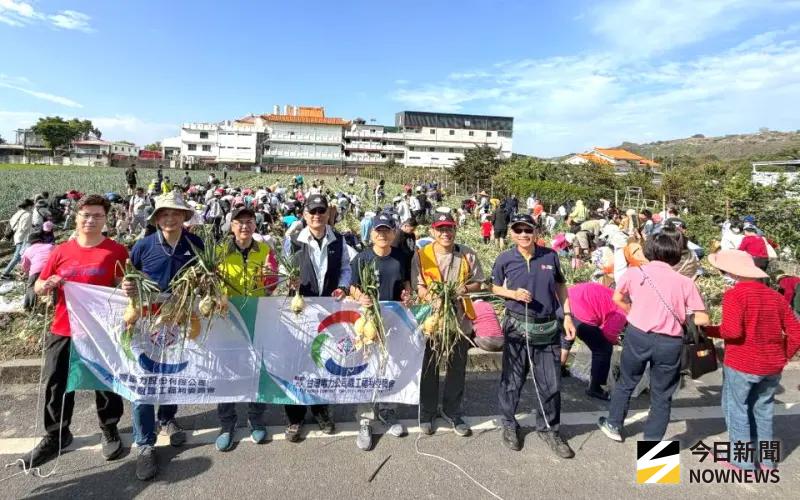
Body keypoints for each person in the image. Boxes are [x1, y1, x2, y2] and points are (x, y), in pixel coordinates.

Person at [19, 195, 128, 469]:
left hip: (101, 330)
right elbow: (39, 284)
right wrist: (45, 285)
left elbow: (121, 285)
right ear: (77, 217)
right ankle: (56, 434)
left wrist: (128, 286)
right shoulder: (60, 251)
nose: (91, 220)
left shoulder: (115, 251)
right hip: (63, 327)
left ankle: (110, 427)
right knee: (57, 383)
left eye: (97, 216)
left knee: (104, 381)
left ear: (106, 220)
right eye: (86, 215)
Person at [598, 233, 709, 443]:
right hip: (670, 342)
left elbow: (617, 298)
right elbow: (702, 318)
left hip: (638, 335)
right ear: (676, 255)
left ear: (648, 251)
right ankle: (653, 449)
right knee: (662, 395)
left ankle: (613, 424)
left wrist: (633, 310)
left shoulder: (634, 273)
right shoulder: (685, 282)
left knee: (626, 382)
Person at [123, 190, 203, 481]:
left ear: (184, 217)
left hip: (179, 320)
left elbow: (203, 280)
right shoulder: (143, 246)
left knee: (173, 372)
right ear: (157, 219)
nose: (170, 218)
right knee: (144, 379)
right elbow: (128, 278)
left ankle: (167, 419)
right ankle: (144, 444)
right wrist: (128, 286)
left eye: (175, 213)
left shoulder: (195, 245)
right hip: (145, 323)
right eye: (164, 213)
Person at [703, 250, 800, 471]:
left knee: (736, 409)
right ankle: (767, 462)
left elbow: (732, 331)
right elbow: (796, 332)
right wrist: (783, 356)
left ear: (732, 273)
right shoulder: (775, 296)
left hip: (742, 363)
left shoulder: (735, 295)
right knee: (763, 410)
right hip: (772, 365)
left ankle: (742, 463)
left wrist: (708, 330)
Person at [491, 214, 576, 457]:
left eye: (527, 230)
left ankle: (549, 428)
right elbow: (493, 286)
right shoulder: (505, 258)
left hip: (547, 325)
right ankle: (508, 423)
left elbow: (561, 285)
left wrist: (567, 315)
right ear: (511, 233)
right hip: (516, 325)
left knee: (550, 381)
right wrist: (513, 294)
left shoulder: (550, 255)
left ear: (535, 232)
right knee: (512, 380)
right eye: (518, 230)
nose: (523, 235)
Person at [283, 195, 350, 442]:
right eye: (312, 211)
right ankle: (295, 417)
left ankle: (321, 411)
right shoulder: (293, 240)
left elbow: (345, 267)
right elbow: (283, 269)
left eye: (321, 211)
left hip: (327, 309)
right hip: (301, 309)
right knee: (298, 361)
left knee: (322, 358)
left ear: (327, 214)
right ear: (304, 213)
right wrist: (288, 279)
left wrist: (342, 286)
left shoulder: (338, 239)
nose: (317, 215)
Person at [412, 212, 485, 437]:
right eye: (441, 229)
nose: (446, 233)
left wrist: (465, 289)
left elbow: (479, 283)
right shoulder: (422, 255)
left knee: (456, 368)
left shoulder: (467, 254)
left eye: (450, 228)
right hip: (432, 321)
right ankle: (427, 413)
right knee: (429, 368)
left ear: (455, 230)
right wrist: (431, 297)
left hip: (459, 321)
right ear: (432, 231)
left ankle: (453, 411)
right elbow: (418, 285)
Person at [214, 207, 278, 452]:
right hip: (226, 319)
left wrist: (274, 279)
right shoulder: (219, 252)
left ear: (255, 225)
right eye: (239, 222)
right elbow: (209, 281)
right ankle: (227, 424)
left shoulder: (264, 251)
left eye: (249, 222)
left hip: (256, 318)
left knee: (256, 369)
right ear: (231, 227)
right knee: (226, 371)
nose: (244, 226)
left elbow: (271, 284)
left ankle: (256, 418)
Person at [349, 213, 412, 451]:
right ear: (371, 233)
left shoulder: (401, 257)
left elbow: (406, 284)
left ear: (393, 233)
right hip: (368, 324)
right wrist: (359, 296)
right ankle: (365, 421)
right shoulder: (362, 258)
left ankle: (388, 412)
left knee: (391, 367)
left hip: (394, 322)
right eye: (378, 230)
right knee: (367, 371)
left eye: (386, 230)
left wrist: (407, 295)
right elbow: (352, 286)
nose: (382, 234)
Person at [561, 282, 627, 400]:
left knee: (567, 335)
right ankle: (595, 388)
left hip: (563, 303)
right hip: (580, 312)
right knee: (603, 348)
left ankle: (559, 368)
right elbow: (608, 335)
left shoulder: (611, 294)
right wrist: (614, 340)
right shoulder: (623, 310)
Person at [21, 229, 55, 310]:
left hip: (36, 270)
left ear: (30, 242)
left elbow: (25, 265)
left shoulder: (28, 250)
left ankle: (30, 306)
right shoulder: (50, 246)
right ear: (41, 240)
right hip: (51, 269)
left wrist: (26, 272)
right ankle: (56, 303)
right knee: (55, 285)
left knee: (31, 287)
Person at [2, 198, 34, 280]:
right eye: (32, 206)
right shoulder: (28, 214)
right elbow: (24, 227)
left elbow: (12, 223)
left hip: (16, 236)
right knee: (18, 256)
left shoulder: (18, 213)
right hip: (23, 237)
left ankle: (21, 271)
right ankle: (5, 273)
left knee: (21, 256)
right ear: (29, 206)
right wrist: (31, 227)